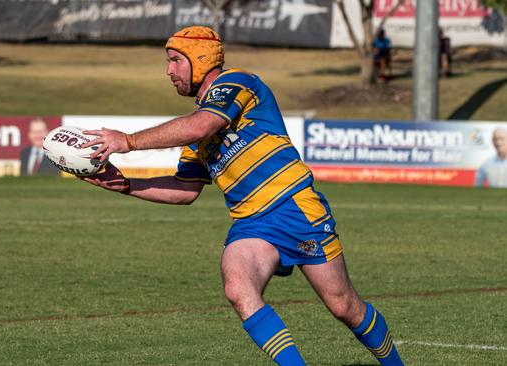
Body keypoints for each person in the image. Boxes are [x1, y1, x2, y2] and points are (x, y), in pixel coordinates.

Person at [80, 26, 404, 365]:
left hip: (294, 206)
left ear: (201, 58)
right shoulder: (196, 131)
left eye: (176, 60)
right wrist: (127, 184)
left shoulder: (237, 83)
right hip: (251, 223)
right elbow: (186, 190)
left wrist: (128, 141)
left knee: (344, 306)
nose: (169, 71)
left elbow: (202, 125)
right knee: (237, 287)